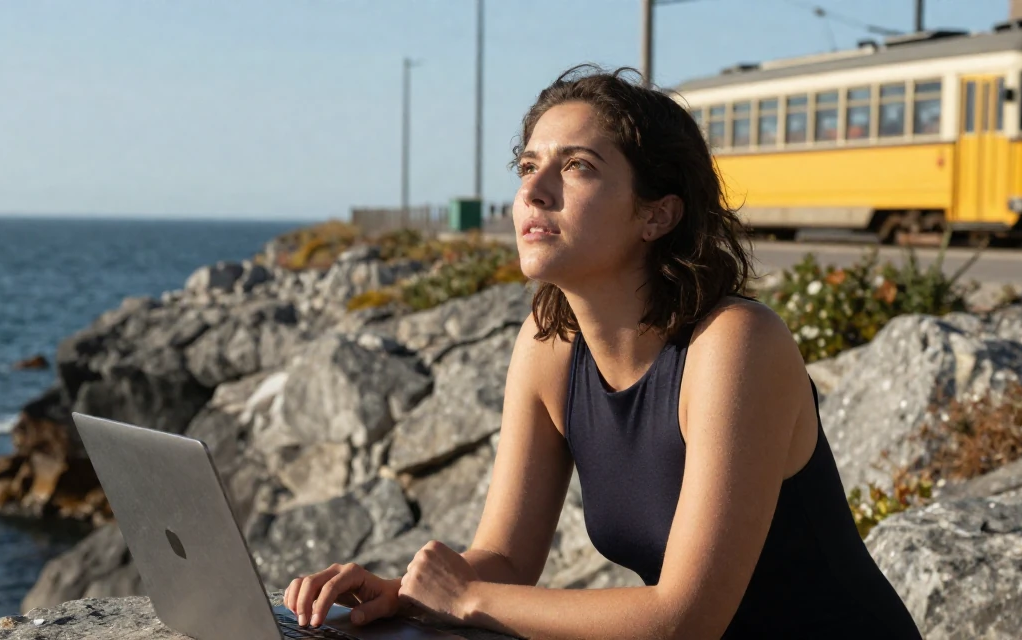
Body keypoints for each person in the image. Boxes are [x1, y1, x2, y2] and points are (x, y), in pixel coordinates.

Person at [285, 65, 922, 639]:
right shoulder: (549, 344)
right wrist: (402, 596)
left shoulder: (734, 346)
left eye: (577, 166)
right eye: (528, 166)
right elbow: (505, 560)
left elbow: (686, 618)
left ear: (658, 215)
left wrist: (469, 598)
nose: (534, 191)